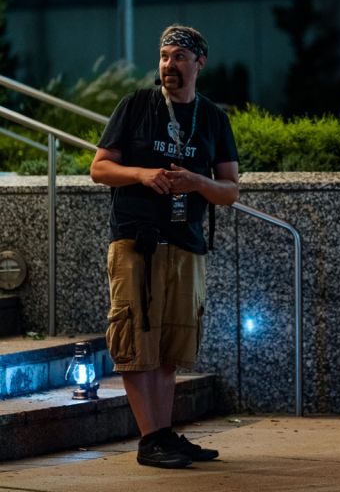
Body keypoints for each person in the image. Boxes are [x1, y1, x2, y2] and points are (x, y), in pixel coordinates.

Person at [90, 25, 240, 468]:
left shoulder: (212, 117)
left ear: (199, 63)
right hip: (137, 240)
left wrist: (196, 181)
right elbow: (100, 169)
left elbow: (230, 190)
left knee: (172, 345)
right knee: (137, 338)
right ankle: (150, 438)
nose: (169, 65)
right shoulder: (136, 105)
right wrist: (142, 175)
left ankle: (164, 434)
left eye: (178, 57)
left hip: (186, 241)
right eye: (164, 56)